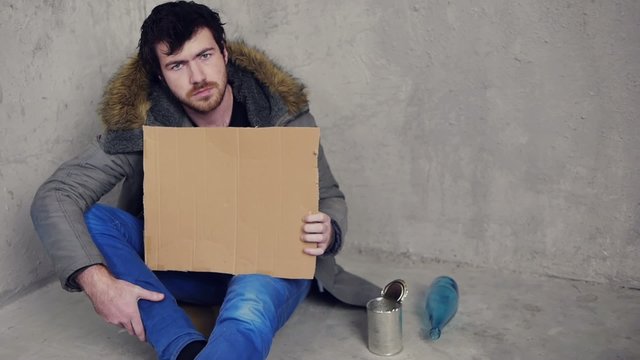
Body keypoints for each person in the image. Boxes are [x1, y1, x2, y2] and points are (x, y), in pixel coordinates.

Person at [30, 1, 381, 360]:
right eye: (177, 65)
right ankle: (182, 345)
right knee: (94, 220)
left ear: (225, 54)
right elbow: (56, 196)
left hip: (266, 265)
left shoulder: (281, 114)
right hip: (187, 265)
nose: (197, 76)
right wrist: (97, 282)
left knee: (249, 306)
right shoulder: (143, 126)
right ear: (161, 77)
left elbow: (330, 195)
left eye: (205, 56)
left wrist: (329, 228)